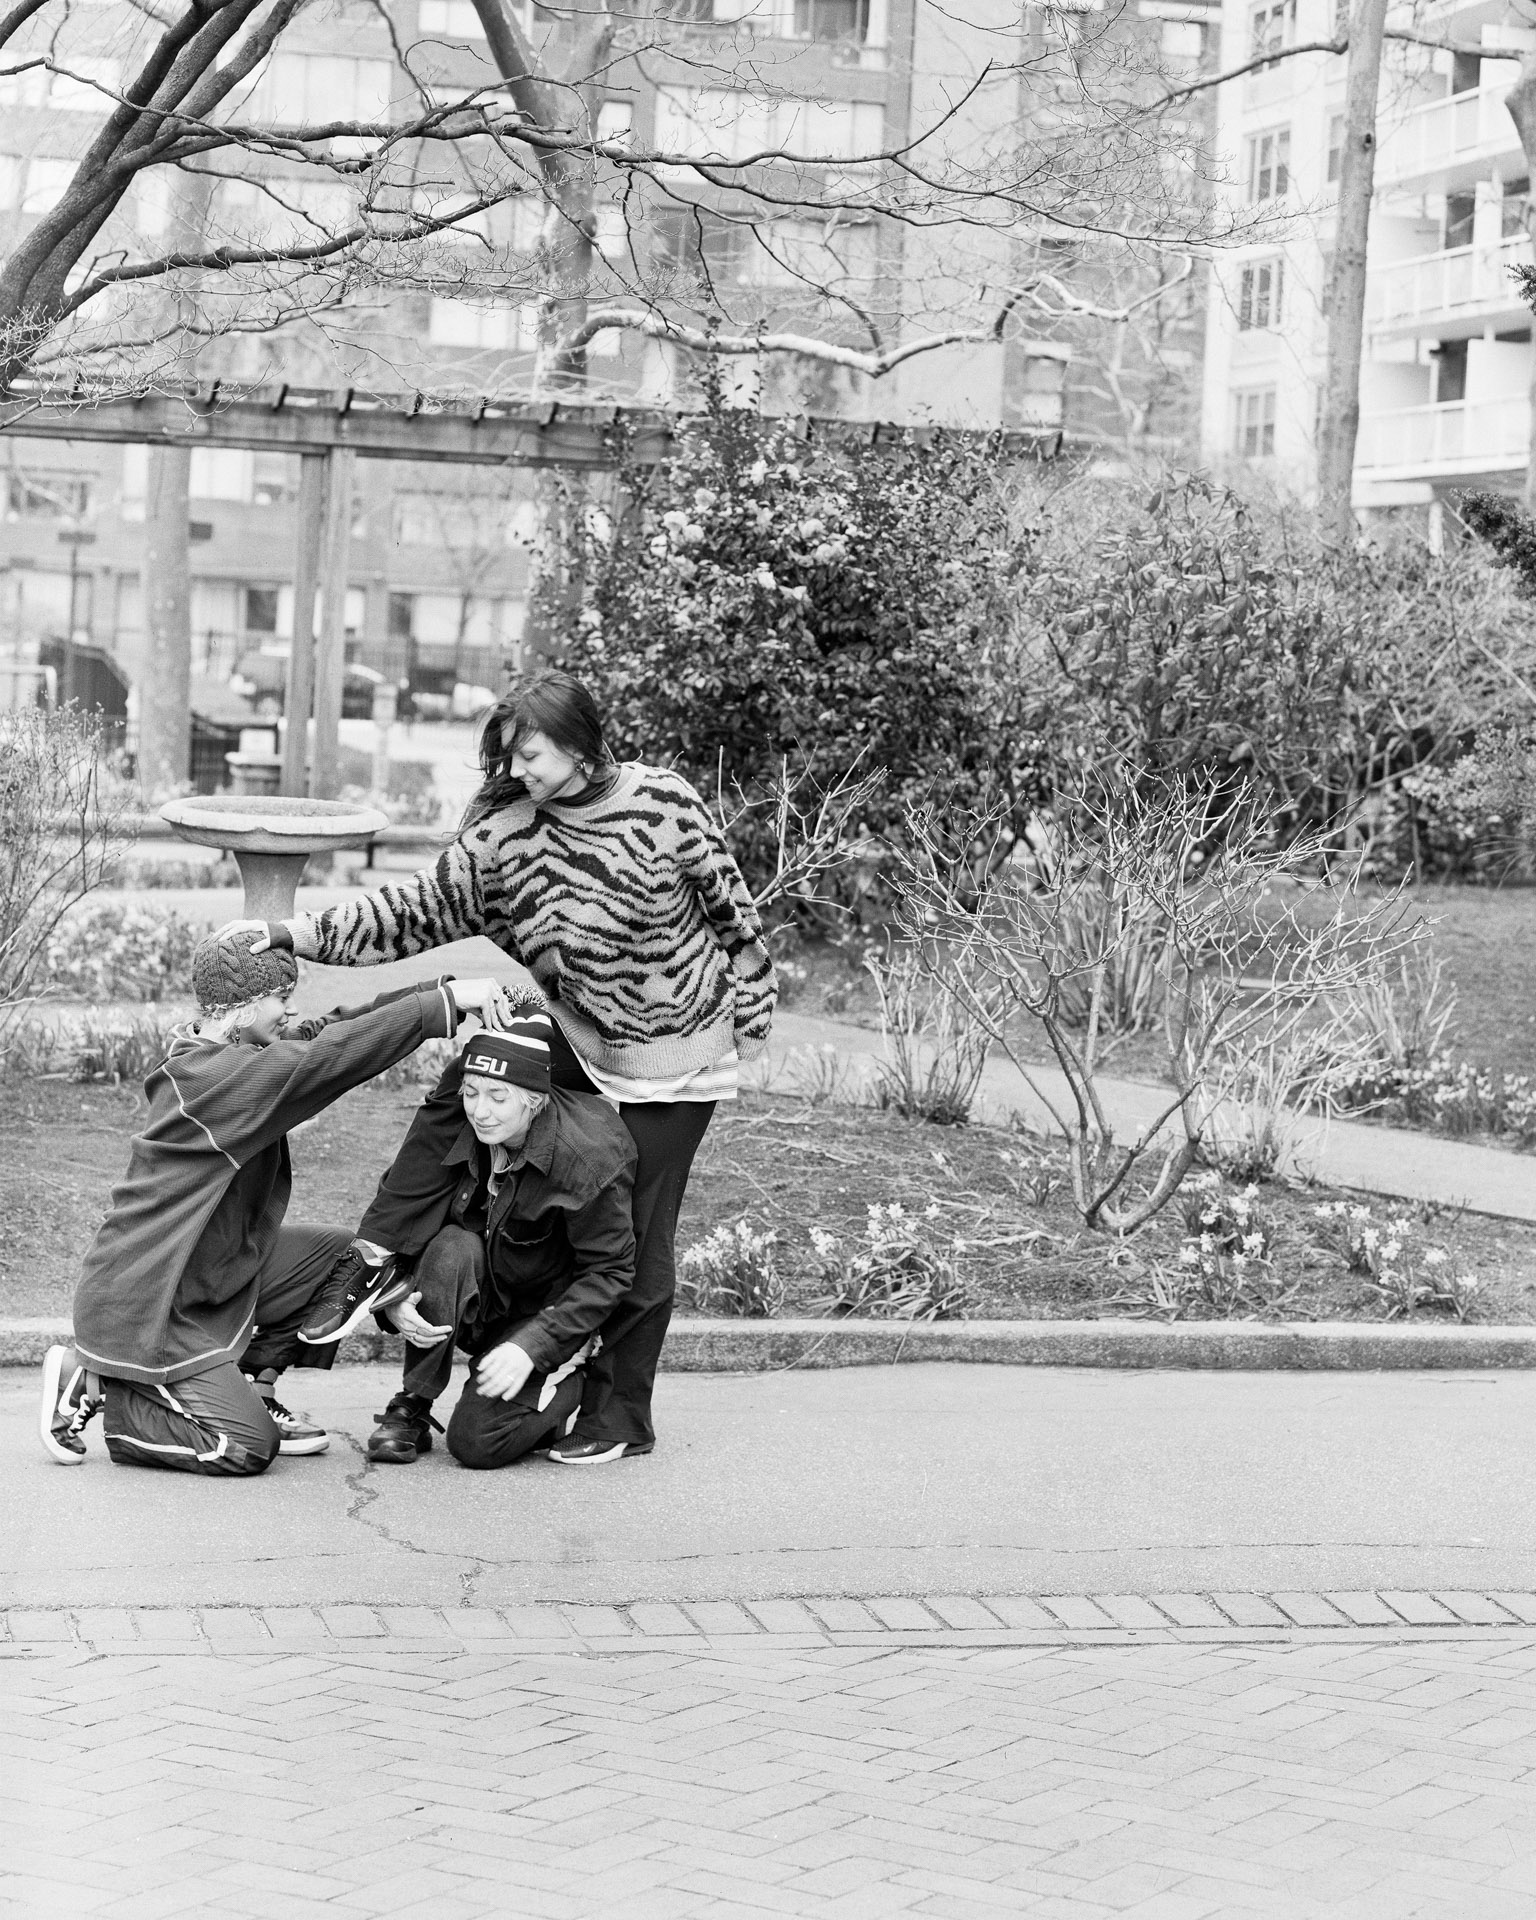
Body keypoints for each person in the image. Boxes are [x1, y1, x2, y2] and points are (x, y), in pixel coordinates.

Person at [234, 669, 776, 1463]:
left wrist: (753, 1008)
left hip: (680, 1047)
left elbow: (733, 910)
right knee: (470, 1076)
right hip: (578, 1029)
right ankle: (375, 1259)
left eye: (531, 754)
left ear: (582, 744)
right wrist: (290, 935)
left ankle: (618, 1415)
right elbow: (406, 913)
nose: (517, 770)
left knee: (639, 1232)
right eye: (508, 757)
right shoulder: (508, 835)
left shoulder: (663, 803)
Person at [38, 925, 511, 1476]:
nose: (290, 1011)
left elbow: (326, 1032)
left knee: (343, 1259)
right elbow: (327, 1058)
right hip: (150, 1302)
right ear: (242, 1006)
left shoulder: (228, 1052)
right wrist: (442, 1007)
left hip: (205, 1273)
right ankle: (108, 1390)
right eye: (281, 999)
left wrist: (438, 991)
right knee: (245, 1448)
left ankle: (250, 1385)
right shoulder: (215, 1081)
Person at [336, 1009, 638, 1469]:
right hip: (486, 1296)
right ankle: (412, 1405)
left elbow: (611, 1271)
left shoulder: (588, 1157)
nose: (480, 1110)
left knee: (477, 1444)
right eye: (472, 1093)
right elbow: (401, 1214)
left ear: (534, 1099)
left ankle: (578, 1377)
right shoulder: (457, 1129)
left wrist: (533, 1346)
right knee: (452, 1245)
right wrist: (393, 1300)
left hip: (546, 1315)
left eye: (498, 1097)